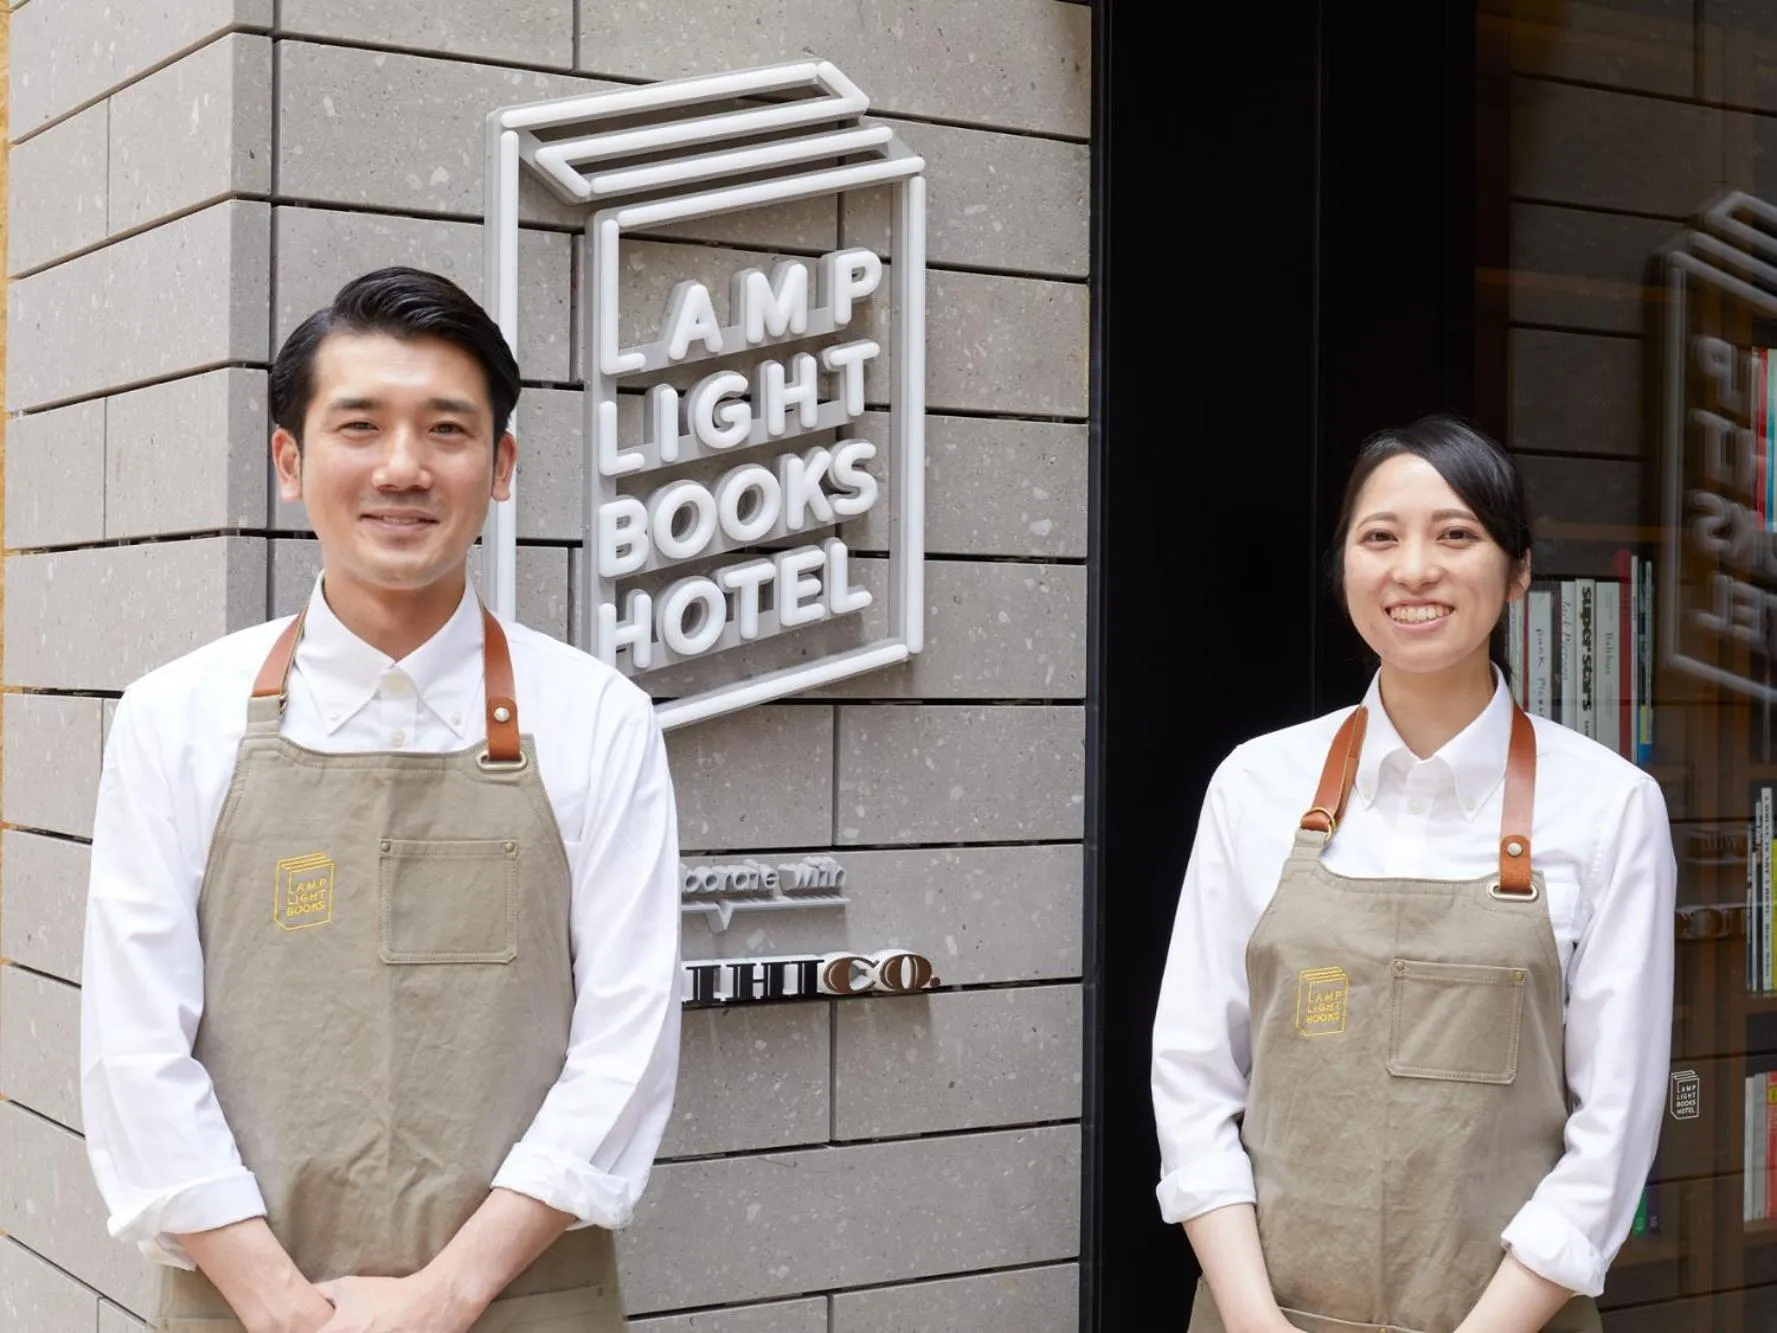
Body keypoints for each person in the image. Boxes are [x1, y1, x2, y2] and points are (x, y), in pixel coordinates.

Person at [80, 267, 682, 1333]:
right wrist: (282, 1305)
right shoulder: (174, 715)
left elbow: (626, 1046)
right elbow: (134, 1047)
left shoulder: (598, 716)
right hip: (243, 1304)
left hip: (523, 1297)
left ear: (498, 467)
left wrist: (446, 1295)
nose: (402, 467)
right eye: (359, 425)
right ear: (289, 460)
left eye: (446, 430)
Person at [1151, 415, 1676, 1333]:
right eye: (1379, 536)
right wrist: (1254, 1320)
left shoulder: (1607, 807)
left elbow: (1614, 1131)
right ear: (1343, 565)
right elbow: (1193, 1083)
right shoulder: (1254, 784)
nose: (1414, 569)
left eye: (1456, 534)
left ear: (1516, 572)